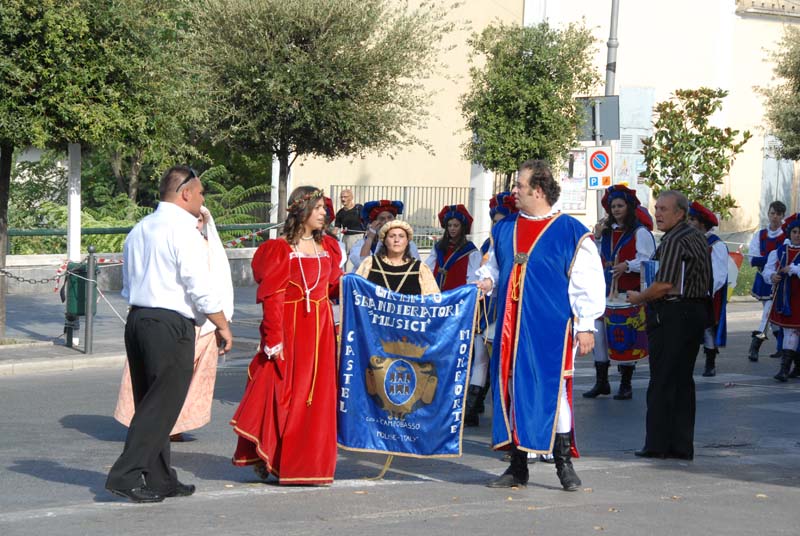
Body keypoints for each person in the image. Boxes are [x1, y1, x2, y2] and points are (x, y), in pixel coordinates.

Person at [106, 166, 233, 503]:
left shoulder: (141, 228)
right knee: (161, 405)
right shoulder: (183, 231)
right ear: (185, 193)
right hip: (168, 323)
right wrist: (221, 324)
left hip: (139, 319)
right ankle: (126, 474)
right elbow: (199, 285)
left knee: (154, 401)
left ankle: (160, 477)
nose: (204, 199)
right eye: (201, 193)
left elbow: (129, 281)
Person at [476, 160, 605, 490]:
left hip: (550, 328)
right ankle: (518, 467)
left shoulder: (571, 233)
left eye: (519, 185)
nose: (514, 191)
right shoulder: (504, 229)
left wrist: (586, 324)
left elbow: (585, 282)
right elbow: (493, 268)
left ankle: (564, 464)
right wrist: (486, 282)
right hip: (509, 326)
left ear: (538, 190)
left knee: (553, 390)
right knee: (511, 391)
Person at [231, 186, 342, 485]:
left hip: (319, 330)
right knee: (283, 393)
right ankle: (275, 459)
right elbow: (273, 297)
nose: (323, 212)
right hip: (291, 328)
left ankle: (307, 464)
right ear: (301, 210)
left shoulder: (329, 247)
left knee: (315, 398)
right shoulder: (280, 249)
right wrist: (273, 338)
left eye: (324, 208)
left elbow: (334, 286)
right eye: (318, 207)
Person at [113, 206, 234, 442]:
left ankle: (169, 430)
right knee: (164, 377)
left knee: (181, 379)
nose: (197, 224)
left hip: (197, 320)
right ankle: (145, 439)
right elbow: (196, 286)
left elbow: (217, 284)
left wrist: (218, 320)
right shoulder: (178, 238)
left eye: (201, 220)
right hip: (174, 318)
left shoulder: (204, 245)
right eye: (195, 219)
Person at [627, 190, 712, 461]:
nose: (658, 213)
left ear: (680, 213)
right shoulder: (696, 236)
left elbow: (664, 284)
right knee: (682, 381)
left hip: (675, 313)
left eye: (664, 209)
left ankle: (658, 445)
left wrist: (639, 297)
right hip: (694, 311)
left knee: (663, 379)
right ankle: (681, 445)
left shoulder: (676, 240)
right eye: (656, 208)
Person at [584, 185, 655, 401]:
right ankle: (602, 381)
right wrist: (595, 238)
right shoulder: (606, 233)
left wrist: (627, 265)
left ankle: (626, 383)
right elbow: (594, 257)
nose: (616, 209)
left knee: (625, 336)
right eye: (613, 206)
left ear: (629, 207)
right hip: (603, 291)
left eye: (620, 205)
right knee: (599, 334)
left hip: (628, 292)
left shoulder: (640, 232)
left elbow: (648, 258)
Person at [465, 192, 518, 427]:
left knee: (504, 364)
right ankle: (472, 407)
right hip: (485, 307)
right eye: (494, 221)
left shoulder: (512, 242)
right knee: (481, 356)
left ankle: (504, 413)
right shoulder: (488, 244)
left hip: (505, 307)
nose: (496, 225)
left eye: (501, 220)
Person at [687, 201, 728, 377]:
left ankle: (710, 362)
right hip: (689, 291)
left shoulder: (716, 244)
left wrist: (707, 292)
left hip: (707, 293)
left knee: (708, 327)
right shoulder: (689, 240)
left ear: (702, 223)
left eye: (692, 219)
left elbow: (719, 273)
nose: (688, 222)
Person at [763, 213, 800, 382]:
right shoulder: (778, 252)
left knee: (793, 331)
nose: (797, 235)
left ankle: (791, 368)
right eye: (795, 232)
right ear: (789, 233)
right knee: (789, 330)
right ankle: (786, 368)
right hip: (786, 298)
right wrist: (772, 276)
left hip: (798, 297)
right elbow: (768, 270)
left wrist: (792, 269)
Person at [748, 201, 786, 361]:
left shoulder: (786, 235)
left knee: (768, 313)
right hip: (763, 278)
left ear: (783, 216)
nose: (774, 217)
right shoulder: (760, 234)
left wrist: (767, 260)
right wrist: (770, 260)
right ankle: (783, 348)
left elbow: (785, 257)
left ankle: (755, 345)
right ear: (768, 214)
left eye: (778, 214)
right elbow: (753, 259)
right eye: (772, 213)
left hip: (780, 280)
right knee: (771, 314)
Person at [356, 219, 438, 294]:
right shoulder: (370, 263)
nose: (396, 240)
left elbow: (432, 300)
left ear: (407, 241)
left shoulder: (420, 268)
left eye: (401, 236)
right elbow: (356, 290)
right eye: (392, 236)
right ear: (384, 241)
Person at [348, 200, 420, 271]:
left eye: (389, 218)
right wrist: (370, 238)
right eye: (382, 219)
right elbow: (362, 264)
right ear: (374, 223)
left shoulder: (407, 243)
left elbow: (415, 265)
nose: (386, 221)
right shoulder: (361, 244)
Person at [424, 204, 481, 291]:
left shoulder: (470, 251)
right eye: (449, 225)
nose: (452, 229)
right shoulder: (438, 247)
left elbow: (473, 276)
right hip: (437, 293)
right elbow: (428, 269)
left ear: (462, 227)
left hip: (457, 296)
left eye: (456, 225)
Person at [334, 189, 364, 267]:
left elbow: (367, 221)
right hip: (346, 238)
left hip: (359, 237)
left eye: (345, 197)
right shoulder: (340, 213)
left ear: (351, 198)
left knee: (356, 259)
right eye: (341, 197)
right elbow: (336, 228)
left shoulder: (359, 208)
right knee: (345, 259)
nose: (343, 199)